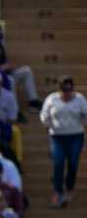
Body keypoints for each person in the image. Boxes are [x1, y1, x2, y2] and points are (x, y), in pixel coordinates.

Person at [37, 74, 87, 207]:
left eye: (69, 90)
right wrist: (47, 123)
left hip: (75, 135)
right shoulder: (51, 99)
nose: (67, 93)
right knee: (58, 163)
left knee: (73, 163)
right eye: (64, 90)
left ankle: (70, 189)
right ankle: (58, 192)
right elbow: (44, 115)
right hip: (57, 136)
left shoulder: (80, 100)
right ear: (60, 90)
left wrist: (82, 119)